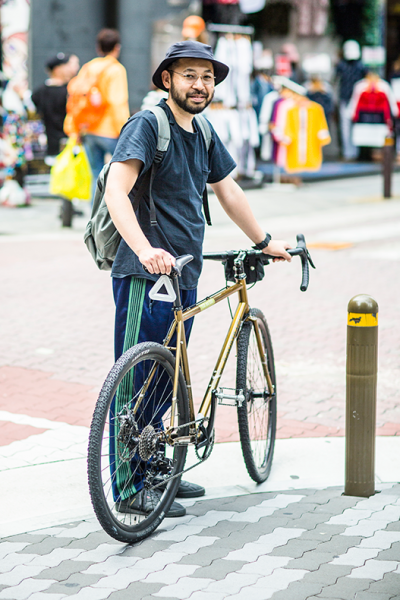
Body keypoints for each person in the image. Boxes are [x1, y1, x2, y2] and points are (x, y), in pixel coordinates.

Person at [104, 40, 292, 518]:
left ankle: (155, 466)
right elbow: (116, 191)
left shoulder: (204, 131)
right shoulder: (148, 125)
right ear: (167, 79)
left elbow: (227, 189)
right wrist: (145, 250)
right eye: (189, 75)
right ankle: (128, 486)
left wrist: (263, 238)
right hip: (145, 273)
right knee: (137, 377)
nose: (199, 85)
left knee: (168, 375)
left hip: (184, 271)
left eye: (206, 77)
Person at [65, 28, 129, 182]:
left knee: (96, 175)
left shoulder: (88, 67)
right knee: (124, 174)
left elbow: (75, 98)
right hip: (109, 131)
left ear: (98, 48)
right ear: (117, 48)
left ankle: (95, 207)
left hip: (87, 129)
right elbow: (117, 102)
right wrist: (125, 130)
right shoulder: (116, 69)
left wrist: (76, 129)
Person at [31, 53, 79, 163]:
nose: (69, 68)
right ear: (57, 69)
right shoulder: (40, 93)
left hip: (69, 146)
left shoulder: (71, 89)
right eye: (65, 65)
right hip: (52, 147)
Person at [335, 40, 368, 160]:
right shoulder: (342, 65)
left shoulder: (361, 66)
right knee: (345, 127)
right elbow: (336, 81)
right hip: (346, 98)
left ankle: (354, 152)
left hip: (357, 100)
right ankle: (348, 152)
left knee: (354, 127)